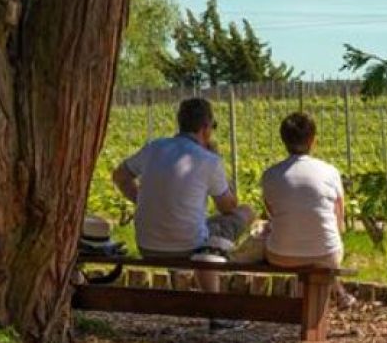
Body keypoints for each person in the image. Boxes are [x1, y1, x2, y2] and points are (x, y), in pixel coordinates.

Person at [112, 97, 255, 327]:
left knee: (205, 231)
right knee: (245, 213)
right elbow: (227, 206)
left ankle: (216, 311)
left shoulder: (154, 148)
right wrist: (220, 168)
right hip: (188, 247)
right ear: (206, 128)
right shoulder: (208, 160)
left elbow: (119, 176)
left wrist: (142, 200)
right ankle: (217, 312)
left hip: (148, 245)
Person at [261, 112, 357, 308]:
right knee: (321, 248)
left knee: (270, 233)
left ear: (283, 140)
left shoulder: (270, 175)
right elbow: (339, 218)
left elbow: (271, 212)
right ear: (313, 140)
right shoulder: (330, 171)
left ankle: (328, 295)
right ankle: (337, 294)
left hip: (281, 255)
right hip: (326, 254)